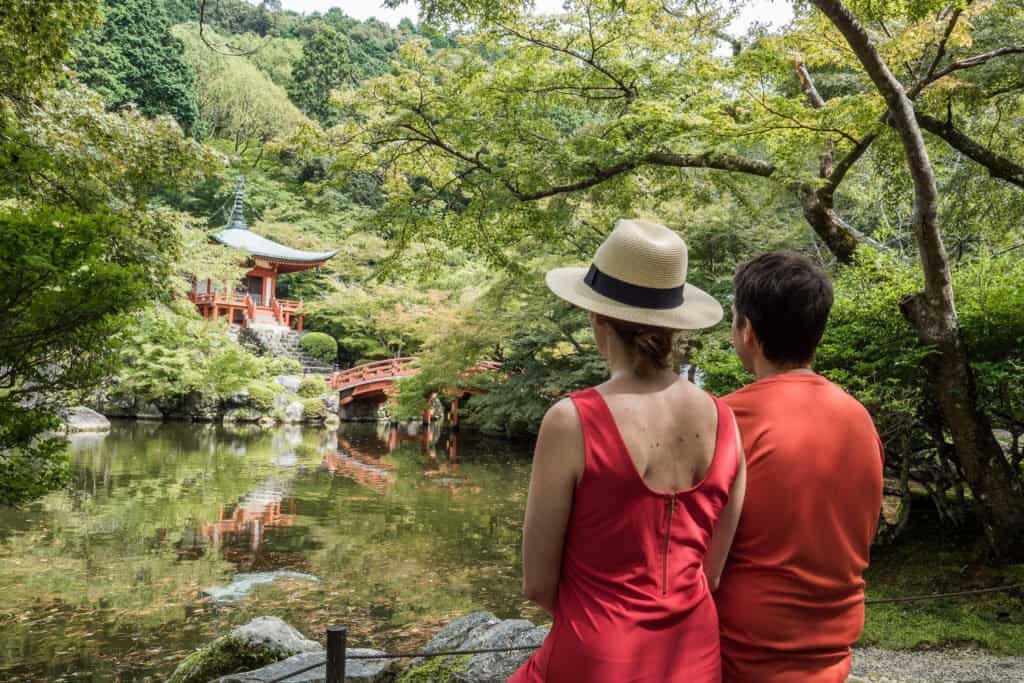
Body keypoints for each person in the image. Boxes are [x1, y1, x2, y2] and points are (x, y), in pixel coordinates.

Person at [509, 218, 747, 683]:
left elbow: (537, 584)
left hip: (597, 656)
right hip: (693, 656)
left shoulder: (571, 420)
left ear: (598, 318)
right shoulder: (726, 420)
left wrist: (604, 618)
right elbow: (712, 571)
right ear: (673, 326)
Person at [715, 252, 885, 682]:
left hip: (741, 658)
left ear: (747, 330)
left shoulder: (726, 419)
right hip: (831, 654)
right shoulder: (858, 418)